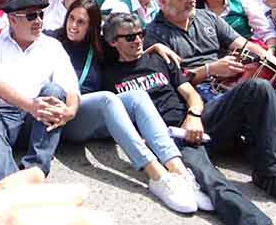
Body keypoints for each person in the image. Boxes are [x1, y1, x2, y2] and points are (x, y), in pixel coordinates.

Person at [104, 12, 273, 225]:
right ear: (112, 42)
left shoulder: (159, 59)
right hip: (168, 138)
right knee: (211, 180)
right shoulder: (108, 75)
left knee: (258, 88)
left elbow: (190, 93)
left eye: (141, 34)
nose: (138, 40)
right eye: (130, 37)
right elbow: (114, 117)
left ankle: (269, 171)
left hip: (197, 120)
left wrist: (194, 115)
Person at [53, 0, 202, 213]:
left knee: (138, 95)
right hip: (67, 116)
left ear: (93, 27)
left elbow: (130, 44)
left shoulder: (99, 48)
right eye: (72, 19)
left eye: (82, 22)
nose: (74, 26)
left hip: (93, 117)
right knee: (107, 98)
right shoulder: (52, 40)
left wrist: (155, 47)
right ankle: (158, 176)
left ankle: (179, 172)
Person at [143, 0, 276, 197]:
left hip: (226, 93)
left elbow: (243, 44)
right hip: (198, 110)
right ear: (163, 3)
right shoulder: (154, 35)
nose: (191, 1)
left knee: (263, 89)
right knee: (258, 89)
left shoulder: (207, 18)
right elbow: (171, 84)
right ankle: (268, 172)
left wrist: (270, 59)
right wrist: (210, 69)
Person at [0, 0, 80, 181]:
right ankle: (9, 184)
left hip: (38, 120)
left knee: (54, 91)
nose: (39, 21)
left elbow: (69, 83)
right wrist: (30, 105)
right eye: (31, 16)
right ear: (13, 19)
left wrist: (70, 111)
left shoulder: (52, 46)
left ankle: (34, 171)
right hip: (3, 116)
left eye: (41, 14)